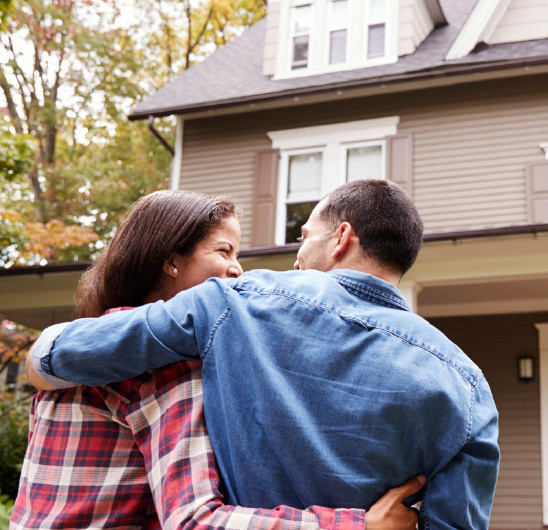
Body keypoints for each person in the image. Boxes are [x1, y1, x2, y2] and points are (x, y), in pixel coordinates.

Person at [28, 180, 501, 530]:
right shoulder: (470, 386)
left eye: (304, 237)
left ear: (340, 238)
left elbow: (68, 351)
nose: (295, 255)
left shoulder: (234, 302)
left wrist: (41, 355)